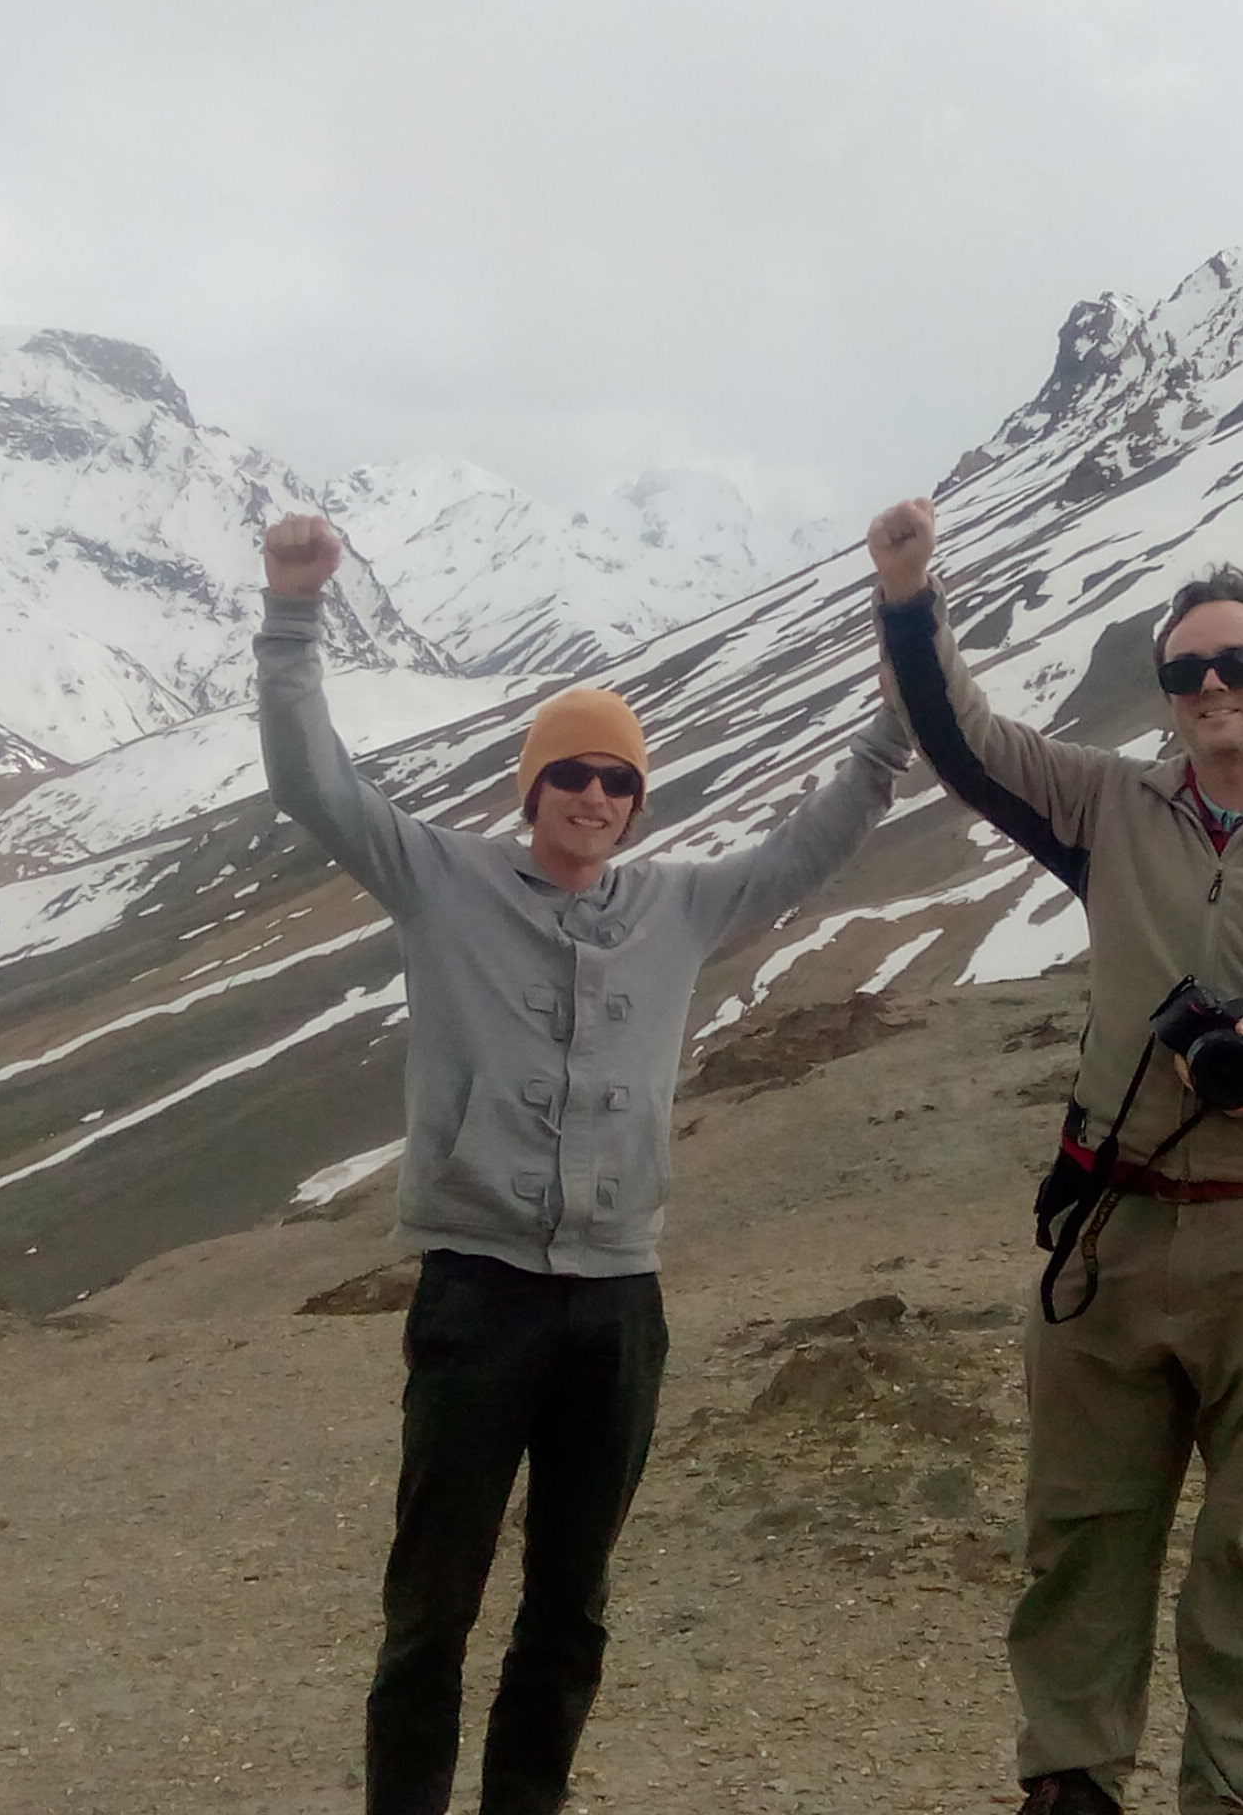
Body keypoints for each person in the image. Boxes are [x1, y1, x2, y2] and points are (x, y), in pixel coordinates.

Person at [257, 510, 910, 1815]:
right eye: (574, 776)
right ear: (532, 788)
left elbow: (820, 837)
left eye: (619, 782)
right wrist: (291, 614)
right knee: (430, 1606)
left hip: (618, 1301)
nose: (596, 799)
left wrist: (898, 681)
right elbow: (312, 782)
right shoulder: (441, 879)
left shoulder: (677, 907)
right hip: (479, 1290)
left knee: (571, 1603)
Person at [863, 495, 1243, 1815]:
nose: (1212, 686)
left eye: (1238, 663)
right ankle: (1071, 1785)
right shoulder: (1111, 805)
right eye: (1187, 669)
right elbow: (963, 743)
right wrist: (910, 603)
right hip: (1117, 1229)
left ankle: (1231, 1793)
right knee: (1082, 1528)